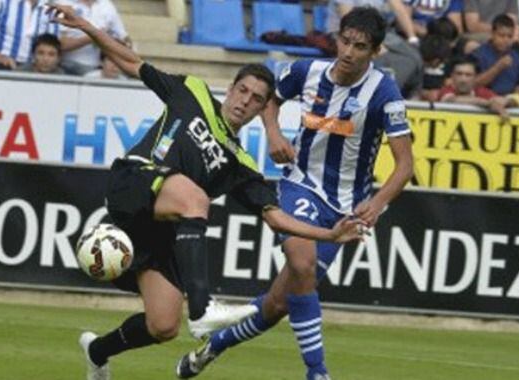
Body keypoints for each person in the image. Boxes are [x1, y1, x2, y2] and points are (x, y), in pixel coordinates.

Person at [46, 5, 366, 380]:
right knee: (195, 198)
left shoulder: (242, 165)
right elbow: (132, 62)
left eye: (256, 99)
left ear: (263, 109)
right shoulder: (192, 92)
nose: (245, 101)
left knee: (163, 325)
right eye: (242, 90)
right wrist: (85, 25)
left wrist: (329, 234)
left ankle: (98, 352)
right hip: (134, 183)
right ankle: (203, 307)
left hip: (162, 227)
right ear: (230, 89)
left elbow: (277, 218)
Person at [176, 7, 414, 380]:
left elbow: (405, 166)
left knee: (279, 303)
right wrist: (273, 133)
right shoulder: (308, 71)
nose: (349, 52)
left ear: (375, 51)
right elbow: (270, 98)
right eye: (345, 41)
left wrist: (378, 202)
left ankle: (215, 346)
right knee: (301, 265)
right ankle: (317, 373)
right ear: (337, 37)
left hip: (348, 207)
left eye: (360, 46)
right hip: (300, 183)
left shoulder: (384, 92)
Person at [0, 0, 58, 70]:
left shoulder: (50, 7)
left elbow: (53, 43)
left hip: (34, 68)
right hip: (0, 64)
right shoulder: (1, 1)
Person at [439, 55, 510, 120]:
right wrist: (489, 104)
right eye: (459, 74)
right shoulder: (446, 90)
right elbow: (452, 100)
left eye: (468, 75)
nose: (463, 79)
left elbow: (510, 102)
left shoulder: (480, 91)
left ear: (475, 77)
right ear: (452, 76)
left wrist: (505, 102)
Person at [471, 14, 519, 95]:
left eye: (510, 36)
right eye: (501, 35)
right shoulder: (478, 54)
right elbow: (472, 84)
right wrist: (498, 67)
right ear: (492, 34)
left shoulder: (515, 56)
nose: (506, 40)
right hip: (484, 99)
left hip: (510, 101)